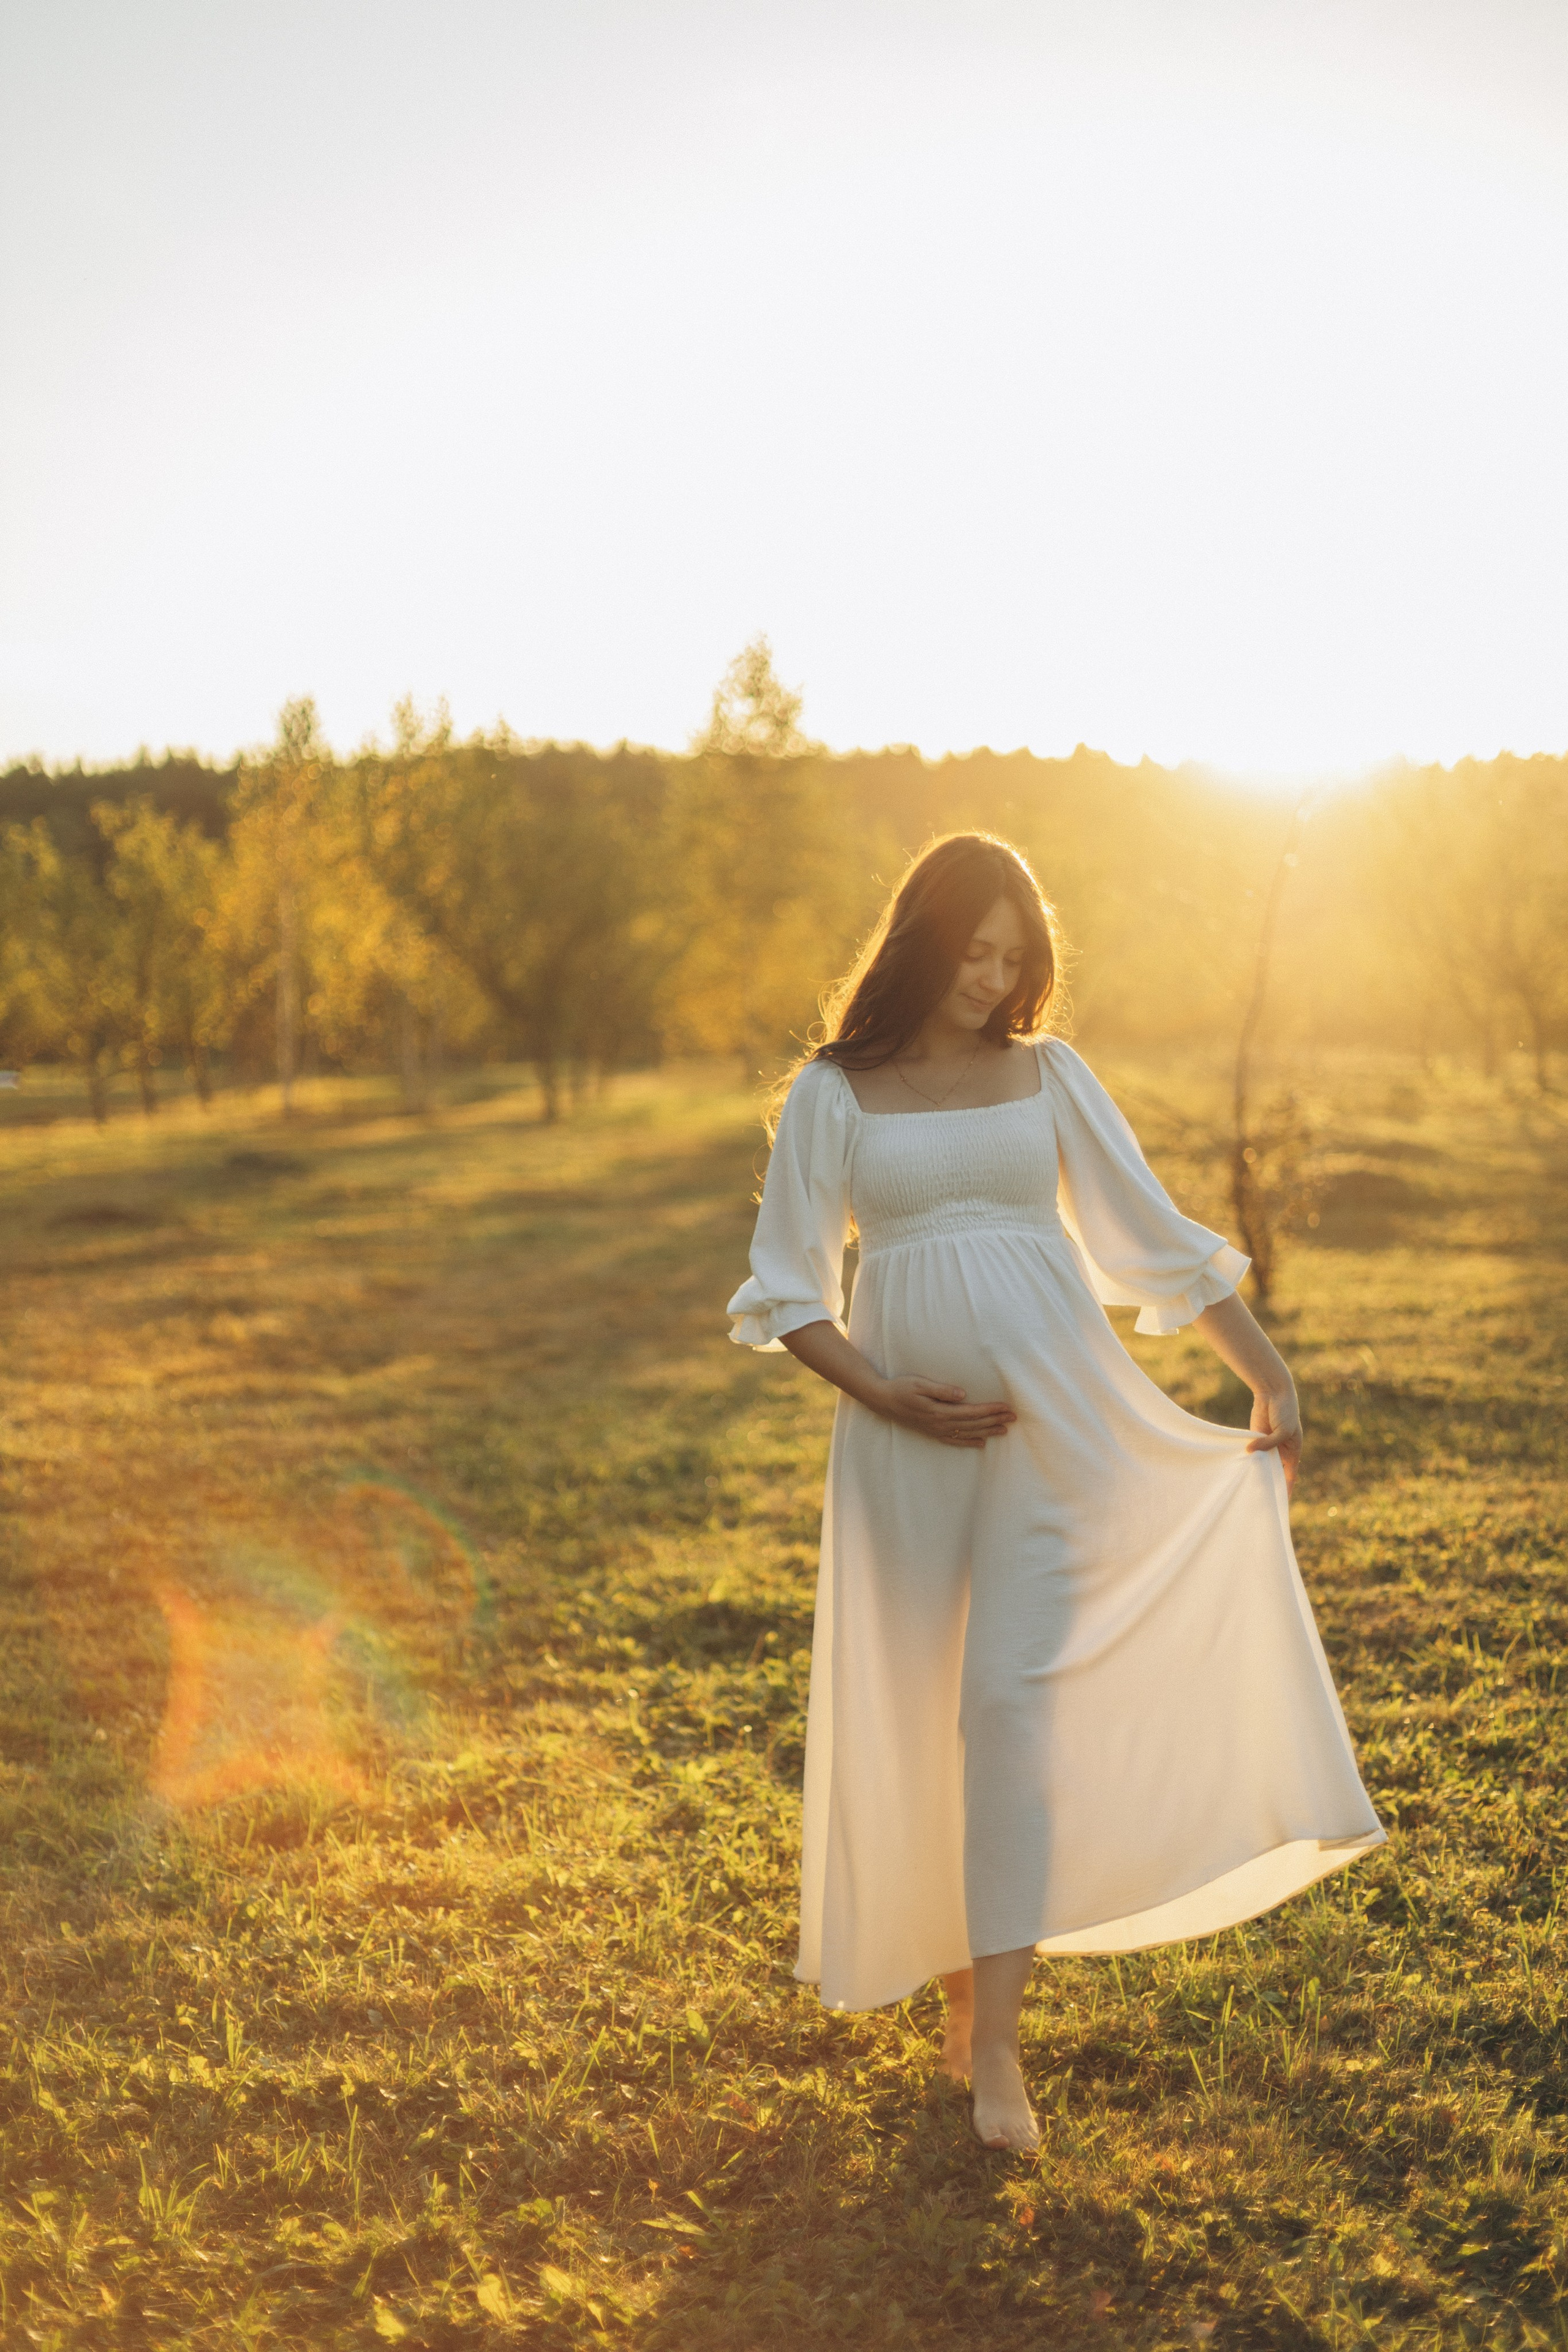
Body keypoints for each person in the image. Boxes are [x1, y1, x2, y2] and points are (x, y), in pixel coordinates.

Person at [726, 832, 1382, 2153]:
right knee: (925, 1717)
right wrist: (884, 1393)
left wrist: (1269, 1376)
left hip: (1055, 1436)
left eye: (1011, 957)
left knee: (1011, 1711)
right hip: (904, 1450)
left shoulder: (1048, 1075)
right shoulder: (832, 1095)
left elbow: (1148, 1238)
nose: (989, 978)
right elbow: (789, 1290)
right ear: (920, 941)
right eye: (971, 951)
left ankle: (1000, 2055)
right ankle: (961, 2001)